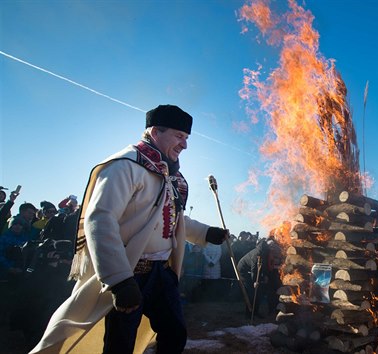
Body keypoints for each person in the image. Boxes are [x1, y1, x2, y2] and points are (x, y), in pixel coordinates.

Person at [30, 104, 229, 354]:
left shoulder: (166, 174)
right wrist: (120, 281)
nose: (185, 145)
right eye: (179, 136)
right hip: (128, 272)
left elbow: (170, 217)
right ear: (156, 131)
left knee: (174, 334)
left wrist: (205, 233)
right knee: (120, 343)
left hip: (162, 273)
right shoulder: (124, 166)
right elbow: (100, 221)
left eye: (186, 138)